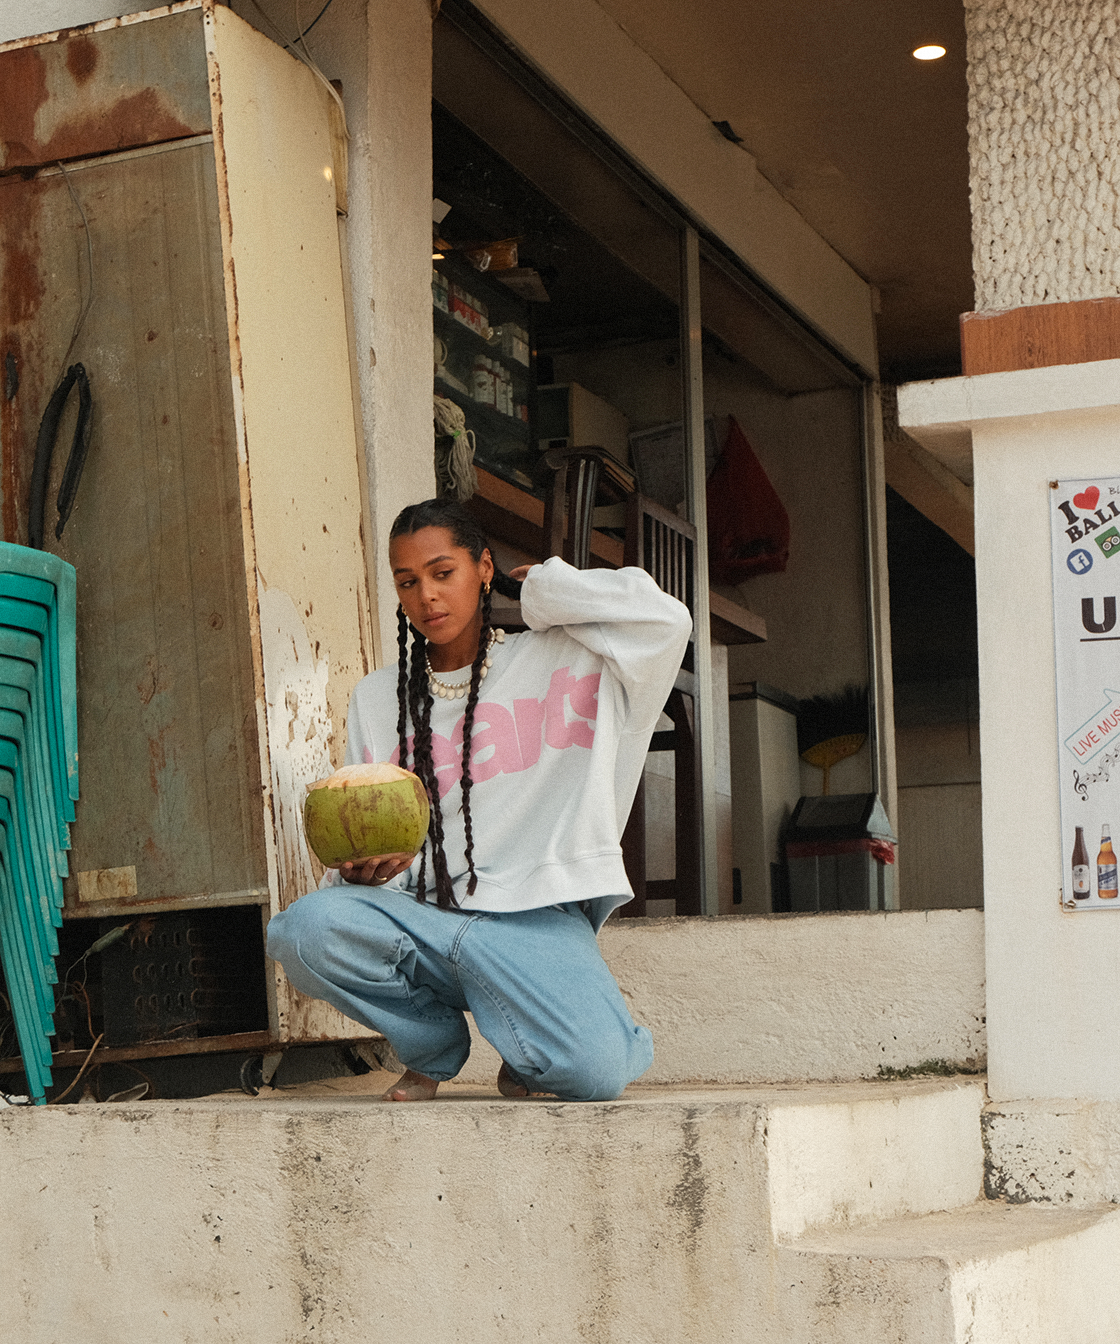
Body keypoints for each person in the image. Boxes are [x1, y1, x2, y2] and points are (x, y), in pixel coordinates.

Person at [266, 497, 692, 1102]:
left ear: (484, 568)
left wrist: (547, 590)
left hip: (534, 923)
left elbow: (668, 623)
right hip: (422, 918)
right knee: (302, 930)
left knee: (595, 1073)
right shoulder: (375, 697)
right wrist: (368, 873)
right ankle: (432, 1047)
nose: (426, 597)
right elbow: (383, 835)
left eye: (444, 573)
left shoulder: (569, 658)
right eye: (407, 582)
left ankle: (531, 1045)